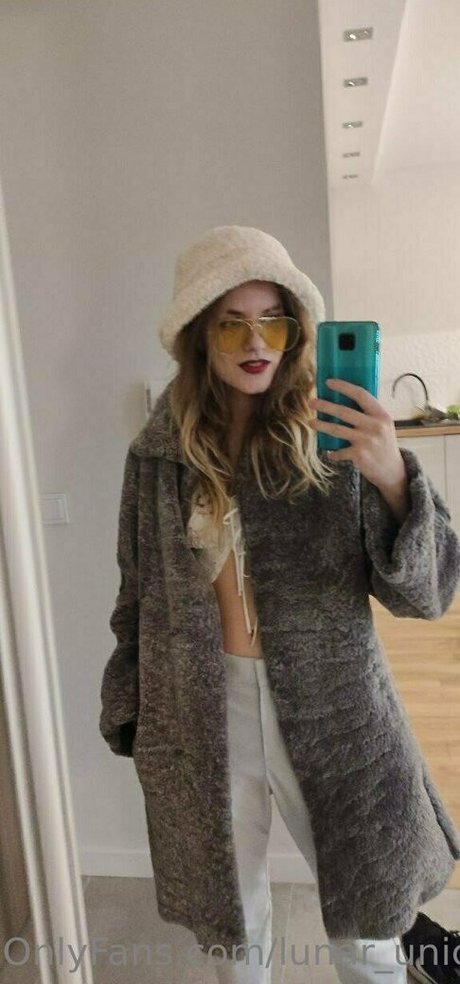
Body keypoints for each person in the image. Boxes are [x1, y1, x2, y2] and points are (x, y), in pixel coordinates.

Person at [99, 225, 460, 984]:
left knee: (368, 929)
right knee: (234, 925)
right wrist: (131, 708)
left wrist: (394, 477)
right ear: (200, 336)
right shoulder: (157, 457)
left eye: (274, 320)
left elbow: (427, 596)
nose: (256, 341)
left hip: (336, 707)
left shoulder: (333, 438)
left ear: (298, 330)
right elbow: (137, 592)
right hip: (200, 710)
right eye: (233, 323)